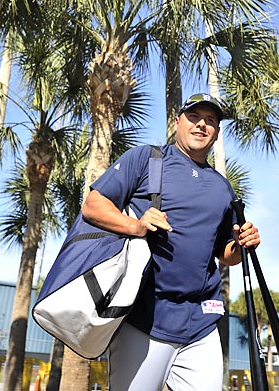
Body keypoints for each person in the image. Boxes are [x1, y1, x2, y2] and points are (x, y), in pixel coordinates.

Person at [82, 92, 260, 391]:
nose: (202, 125)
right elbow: (92, 205)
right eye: (194, 117)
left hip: (200, 323)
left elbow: (225, 254)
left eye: (211, 120)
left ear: (216, 132)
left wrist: (242, 243)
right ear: (177, 122)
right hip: (144, 317)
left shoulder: (222, 187)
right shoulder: (147, 159)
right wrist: (135, 225)